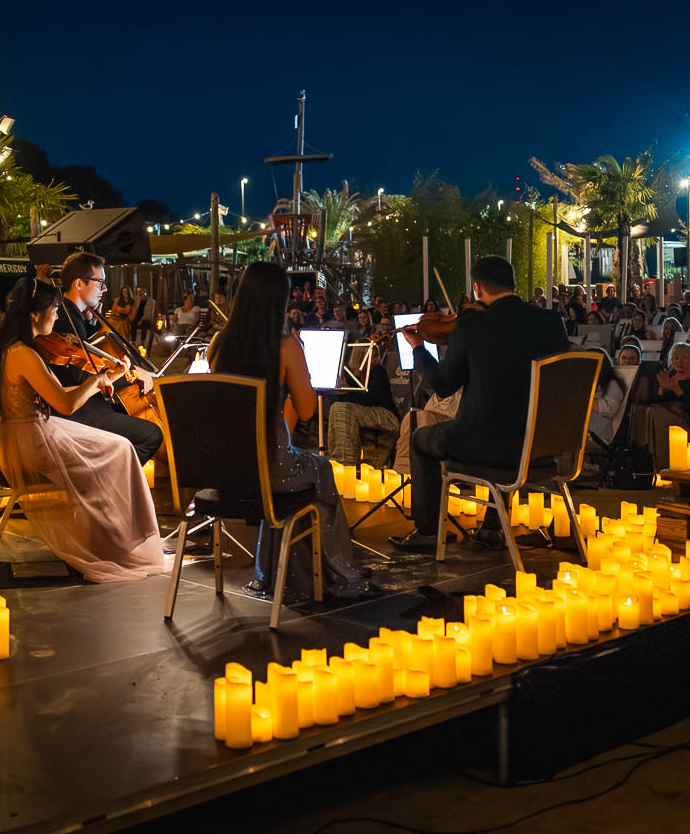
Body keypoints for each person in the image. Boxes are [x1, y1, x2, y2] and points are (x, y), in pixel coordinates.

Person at [0, 279, 170, 582]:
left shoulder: (17, 349)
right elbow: (66, 404)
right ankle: (115, 542)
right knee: (120, 450)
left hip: (26, 436)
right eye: (54, 310)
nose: (57, 317)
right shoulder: (24, 354)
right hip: (31, 444)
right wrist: (97, 381)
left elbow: (53, 393)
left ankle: (114, 537)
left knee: (118, 448)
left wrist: (102, 379)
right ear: (35, 314)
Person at [208, 262, 370, 602]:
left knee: (301, 474)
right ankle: (335, 570)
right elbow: (308, 409)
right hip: (271, 472)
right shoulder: (284, 347)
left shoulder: (219, 345)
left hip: (226, 471)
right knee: (321, 469)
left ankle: (279, 571)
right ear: (280, 301)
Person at [389, 256, 569, 550]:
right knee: (508, 419)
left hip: (490, 447)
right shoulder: (549, 322)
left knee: (421, 439)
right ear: (512, 284)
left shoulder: (472, 326)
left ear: (477, 289)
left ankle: (428, 532)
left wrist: (419, 348)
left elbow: (443, 386)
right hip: (541, 445)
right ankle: (491, 526)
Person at [47, 253, 162, 464]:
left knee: (133, 415)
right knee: (151, 435)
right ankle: (104, 478)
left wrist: (91, 323)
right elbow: (79, 375)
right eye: (100, 282)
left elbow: (91, 353)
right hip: (77, 411)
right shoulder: (64, 319)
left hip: (89, 403)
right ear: (79, 284)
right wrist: (133, 374)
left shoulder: (75, 316)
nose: (105, 289)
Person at [628, 343, 690, 470]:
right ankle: (640, 459)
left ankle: (661, 464)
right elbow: (657, 400)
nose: (679, 361)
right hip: (663, 413)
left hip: (683, 420)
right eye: (676, 358)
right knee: (638, 409)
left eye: (683, 358)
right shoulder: (667, 378)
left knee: (654, 413)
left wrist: (676, 388)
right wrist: (662, 388)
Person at [326, 339, 403, 467]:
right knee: (336, 407)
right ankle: (337, 460)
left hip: (386, 416)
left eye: (376, 356)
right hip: (362, 413)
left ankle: (346, 462)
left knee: (342, 409)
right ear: (360, 355)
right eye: (372, 356)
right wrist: (341, 392)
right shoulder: (350, 374)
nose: (375, 360)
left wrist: (347, 393)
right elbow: (350, 402)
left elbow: (373, 399)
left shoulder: (378, 372)